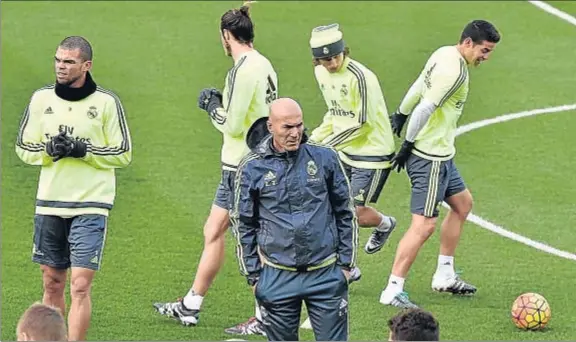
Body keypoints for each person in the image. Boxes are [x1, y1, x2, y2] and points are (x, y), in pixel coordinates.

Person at [153, 2, 278, 336]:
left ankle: (265, 316)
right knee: (213, 230)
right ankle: (191, 304)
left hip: (243, 169)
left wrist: (212, 107)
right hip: (244, 165)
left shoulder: (242, 69)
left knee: (250, 245)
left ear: (226, 36)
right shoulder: (264, 64)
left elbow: (234, 124)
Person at [15, 36, 133, 340]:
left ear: (86, 65)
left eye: (68, 62)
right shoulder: (41, 99)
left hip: (91, 204)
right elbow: (23, 147)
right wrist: (48, 148)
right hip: (50, 203)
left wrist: (85, 150)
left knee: (80, 284)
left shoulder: (107, 103)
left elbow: (123, 152)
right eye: (58, 60)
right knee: (52, 282)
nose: (61, 67)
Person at [379, 20, 501, 308]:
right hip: (430, 157)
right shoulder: (453, 71)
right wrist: (408, 142)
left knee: (463, 204)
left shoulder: (443, 53)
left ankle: (444, 274)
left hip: (443, 154)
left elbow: (419, 85)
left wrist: (400, 112)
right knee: (423, 226)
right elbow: (426, 106)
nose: (486, 57)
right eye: (484, 50)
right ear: (468, 43)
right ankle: (393, 289)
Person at [230, 97, 358, 341]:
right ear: (270, 127)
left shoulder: (325, 158)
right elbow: (243, 222)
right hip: (278, 276)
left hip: (326, 275)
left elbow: (345, 211)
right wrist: (254, 276)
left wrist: (345, 265)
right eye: (287, 127)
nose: (295, 133)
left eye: (299, 125)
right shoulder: (251, 167)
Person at [308, 23, 398, 256]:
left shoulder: (360, 77)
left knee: (353, 212)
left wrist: (324, 146)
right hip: (345, 151)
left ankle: (385, 224)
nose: (333, 64)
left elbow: (361, 123)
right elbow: (335, 111)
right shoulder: (321, 73)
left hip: (372, 153)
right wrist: (314, 138)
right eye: (327, 61)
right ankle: (346, 265)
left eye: (337, 57)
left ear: (344, 51)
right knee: (330, 207)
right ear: (317, 61)